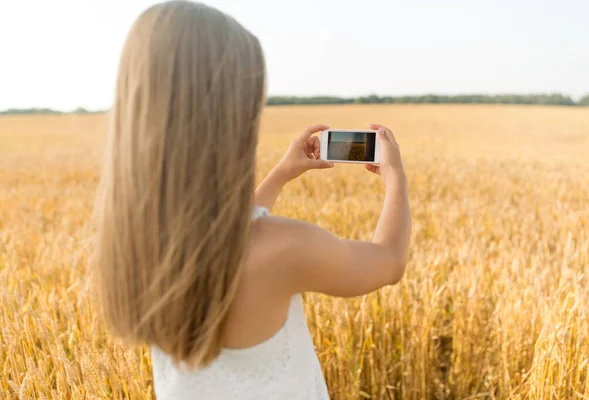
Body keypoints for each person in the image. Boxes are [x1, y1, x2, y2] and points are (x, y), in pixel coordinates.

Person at [92, 1, 411, 399]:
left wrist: (280, 175)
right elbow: (389, 261)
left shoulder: (136, 241)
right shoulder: (286, 248)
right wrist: (395, 178)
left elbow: (226, 239)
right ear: (231, 120)